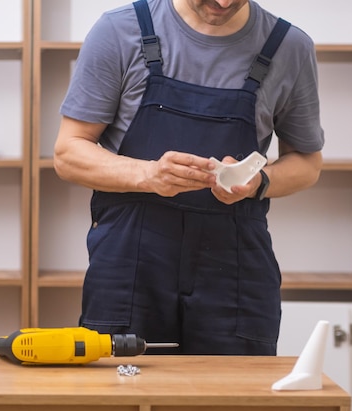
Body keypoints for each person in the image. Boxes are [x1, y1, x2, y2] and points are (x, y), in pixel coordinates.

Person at [53, 0, 324, 356]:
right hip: (131, 261)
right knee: (125, 394)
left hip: (235, 266)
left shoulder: (289, 46)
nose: (223, 3)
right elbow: (68, 153)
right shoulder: (120, 31)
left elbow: (307, 163)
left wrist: (258, 183)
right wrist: (148, 174)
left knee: (233, 402)